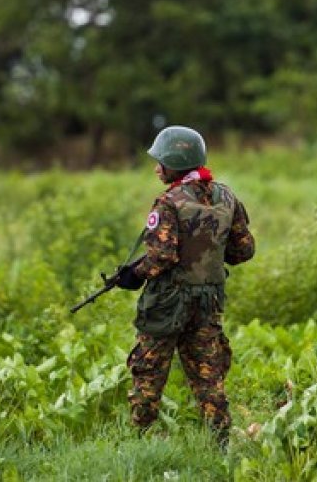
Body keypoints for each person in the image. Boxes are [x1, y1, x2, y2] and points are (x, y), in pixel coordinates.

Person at [115, 125, 255, 448]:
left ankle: (137, 440)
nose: (155, 167)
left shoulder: (169, 202)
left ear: (175, 163)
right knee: (208, 374)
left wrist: (134, 275)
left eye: (160, 161)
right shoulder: (226, 197)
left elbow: (161, 256)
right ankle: (220, 444)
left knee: (149, 370)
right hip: (208, 302)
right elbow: (244, 250)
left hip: (168, 302)